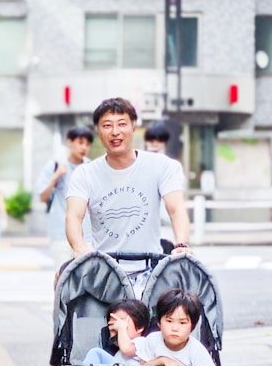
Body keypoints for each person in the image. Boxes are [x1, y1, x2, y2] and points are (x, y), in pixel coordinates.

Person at [65, 98, 191, 275]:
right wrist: (79, 247)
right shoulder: (84, 173)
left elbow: (177, 209)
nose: (115, 132)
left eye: (122, 124)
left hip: (151, 270)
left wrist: (181, 245)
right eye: (107, 125)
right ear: (98, 131)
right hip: (105, 272)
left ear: (134, 126)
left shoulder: (162, 165)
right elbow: (74, 216)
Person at [36, 125, 94, 265]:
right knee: (63, 277)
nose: (84, 147)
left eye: (87, 144)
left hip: (87, 235)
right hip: (61, 234)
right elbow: (42, 197)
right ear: (70, 142)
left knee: (87, 279)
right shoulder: (56, 166)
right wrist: (56, 177)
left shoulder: (91, 168)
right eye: (80, 142)